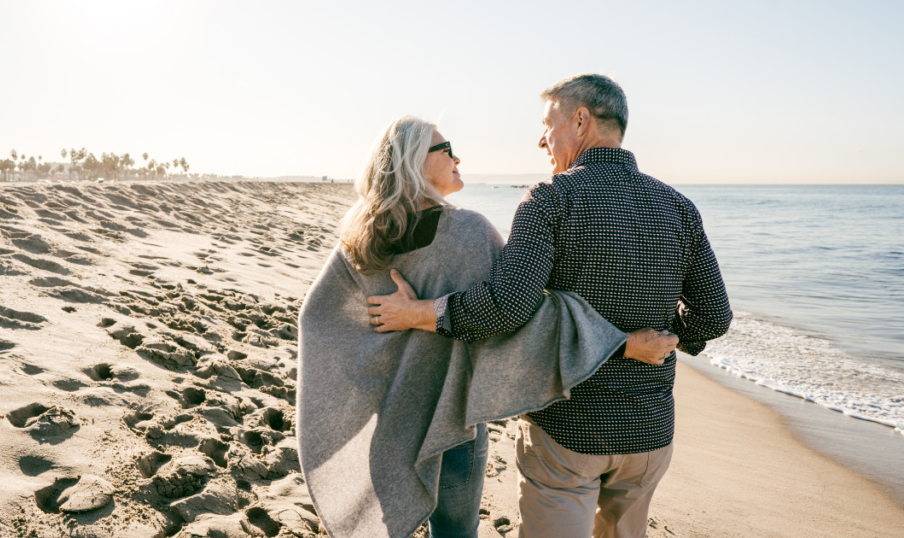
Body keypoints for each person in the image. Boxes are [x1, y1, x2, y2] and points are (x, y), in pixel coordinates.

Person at [367, 75, 733, 538]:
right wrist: (665, 340)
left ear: (580, 120)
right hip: (650, 429)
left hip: (568, 430)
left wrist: (421, 313)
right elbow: (714, 317)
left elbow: (507, 306)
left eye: (548, 123)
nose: (542, 138)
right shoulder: (678, 206)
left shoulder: (550, 199)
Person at [297, 115, 678, 538]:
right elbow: (524, 317)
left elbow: (319, 320)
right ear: (415, 162)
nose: (457, 156)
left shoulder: (362, 237)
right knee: (456, 532)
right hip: (449, 417)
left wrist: (370, 370)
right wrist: (623, 343)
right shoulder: (467, 233)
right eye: (446, 149)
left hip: (387, 420)